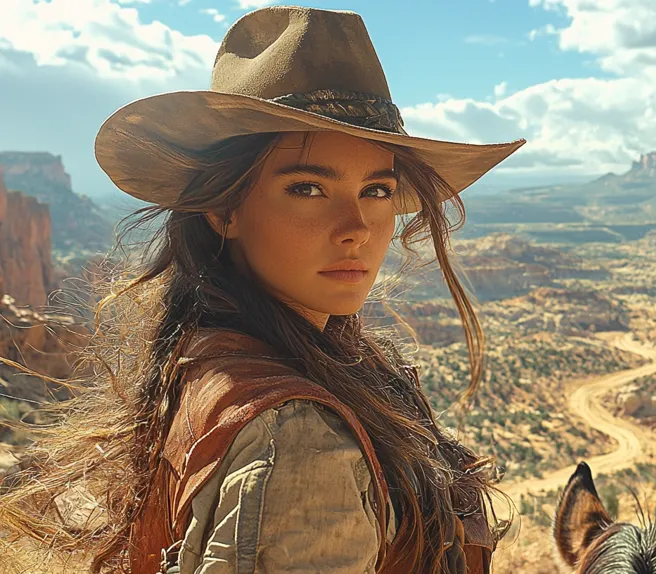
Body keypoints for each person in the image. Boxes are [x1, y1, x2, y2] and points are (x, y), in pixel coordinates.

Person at [0, 6, 525, 574]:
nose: (357, 227)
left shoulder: (199, 355)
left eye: (377, 190)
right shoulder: (301, 445)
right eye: (307, 188)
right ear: (225, 209)